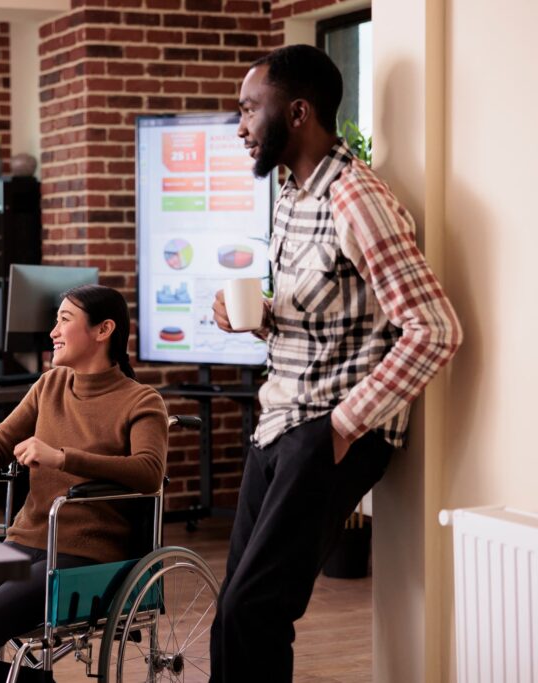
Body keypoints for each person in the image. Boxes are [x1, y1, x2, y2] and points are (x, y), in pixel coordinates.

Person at [209, 45, 463, 682]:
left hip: (324, 428)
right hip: (277, 420)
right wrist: (260, 314)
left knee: (253, 609)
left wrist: (344, 426)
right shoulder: (292, 195)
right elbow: (333, 312)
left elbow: (435, 329)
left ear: (297, 113)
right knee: (233, 611)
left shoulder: (358, 199)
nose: (239, 125)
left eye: (248, 109)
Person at [0, 284, 169, 682]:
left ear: (103, 329)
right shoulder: (49, 385)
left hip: (86, 554)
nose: (53, 332)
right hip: (24, 541)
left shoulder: (141, 401)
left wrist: (62, 457)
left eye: (64, 320)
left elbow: (149, 471)